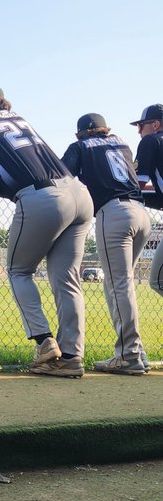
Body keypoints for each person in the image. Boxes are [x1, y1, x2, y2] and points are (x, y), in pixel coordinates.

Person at [0, 83, 93, 378]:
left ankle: (44, 341)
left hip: (43, 197)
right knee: (67, 279)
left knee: (19, 271)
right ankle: (71, 357)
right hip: (80, 194)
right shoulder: (20, 119)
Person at [61, 113, 151, 375]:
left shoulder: (79, 146)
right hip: (141, 213)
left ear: (82, 132)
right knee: (122, 283)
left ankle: (129, 355)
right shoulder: (121, 144)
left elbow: (62, 178)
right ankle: (137, 353)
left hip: (114, 214)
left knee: (117, 284)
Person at [133, 103, 163, 300]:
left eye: (141, 125)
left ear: (155, 124)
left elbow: (138, 182)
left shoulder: (151, 141)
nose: (138, 131)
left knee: (157, 281)